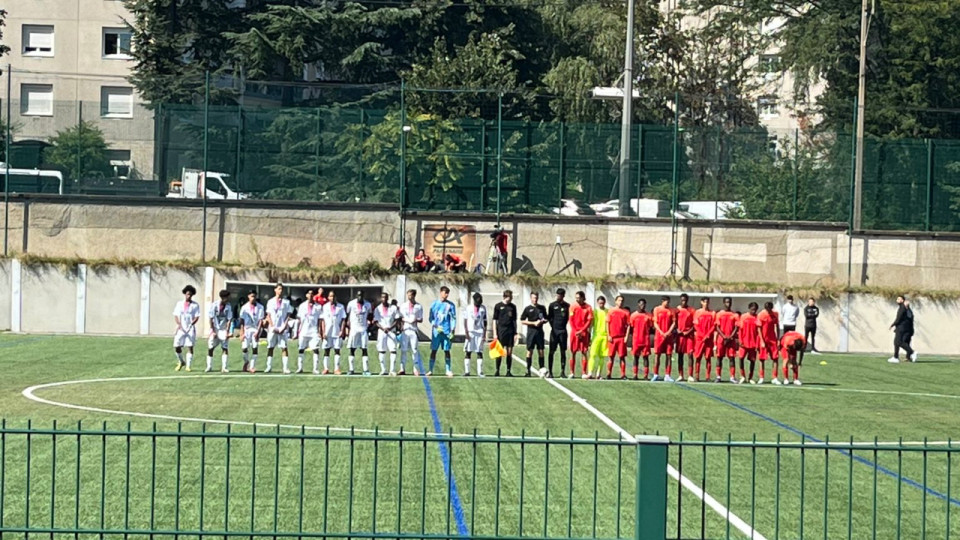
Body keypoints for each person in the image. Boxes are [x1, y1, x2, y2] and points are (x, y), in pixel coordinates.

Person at [428, 286, 457, 377]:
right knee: (434, 350)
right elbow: (431, 318)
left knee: (447, 350)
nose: (446, 295)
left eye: (448, 293)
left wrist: (452, 330)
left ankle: (448, 370)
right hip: (436, 332)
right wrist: (435, 325)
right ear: (441, 292)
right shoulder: (434, 304)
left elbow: (453, 318)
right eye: (445, 292)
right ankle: (430, 370)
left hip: (446, 331)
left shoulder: (451, 305)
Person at [265, 283, 293, 374]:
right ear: (275, 290)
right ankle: (268, 367)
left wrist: (284, 327)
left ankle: (285, 368)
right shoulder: (270, 301)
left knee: (284, 347)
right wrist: (272, 326)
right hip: (273, 328)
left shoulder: (286, 302)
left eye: (281, 289)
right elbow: (268, 315)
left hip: (282, 328)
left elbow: (288, 315)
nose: (280, 291)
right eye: (279, 289)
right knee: (270, 347)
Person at [173, 285, 201, 371]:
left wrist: (192, 324)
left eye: (190, 295)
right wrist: (179, 324)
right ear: (185, 294)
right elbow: (176, 315)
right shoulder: (179, 304)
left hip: (190, 328)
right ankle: (181, 361)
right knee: (177, 345)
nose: (189, 296)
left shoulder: (195, 305)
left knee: (190, 346)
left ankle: (188, 365)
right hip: (181, 328)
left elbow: (197, 316)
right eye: (188, 294)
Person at [205, 289, 233, 373]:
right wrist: (212, 330)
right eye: (226, 297)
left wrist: (227, 331)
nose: (227, 299)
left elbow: (229, 320)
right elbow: (210, 318)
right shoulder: (214, 305)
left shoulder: (228, 306)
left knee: (225, 348)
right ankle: (209, 366)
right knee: (210, 347)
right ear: (222, 297)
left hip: (223, 329)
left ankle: (224, 367)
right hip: (215, 328)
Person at [520, 292, 548, 377]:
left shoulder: (542, 308)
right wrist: (533, 323)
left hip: (539, 332)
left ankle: (542, 370)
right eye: (533, 298)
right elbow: (522, 320)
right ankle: (528, 371)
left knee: (541, 351)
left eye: (536, 298)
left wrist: (542, 321)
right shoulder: (528, 309)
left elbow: (546, 318)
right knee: (529, 351)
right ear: (531, 298)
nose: (535, 299)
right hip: (531, 332)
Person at [345, 291, 373, 376]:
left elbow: (370, 315)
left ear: (363, 296)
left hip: (363, 329)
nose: (360, 297)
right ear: (356, 296)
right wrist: (347, 327)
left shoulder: (367, 304)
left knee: (364, 349)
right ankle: (351, 369)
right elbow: (347, 315)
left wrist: (369, 323)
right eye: (358, 295)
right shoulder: (351, 303)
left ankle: (366, 370)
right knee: (352, 349)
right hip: (354, 329)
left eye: (361, 295)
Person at [320, 290, 347, 374]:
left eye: (333, 296)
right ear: (328, 297)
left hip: (336, 331)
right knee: (326, 350)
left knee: (337, 350)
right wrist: (323, 332)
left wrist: (342, 331)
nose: (332, 298)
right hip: (328, 332)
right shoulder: (325, 307)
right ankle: (326, 368)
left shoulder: (341, 307)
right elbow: (323, 320)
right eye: (330, 296)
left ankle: (336, 368)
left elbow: (343, 320)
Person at [296, 290, 323, 375]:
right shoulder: (302, 306)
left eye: (312, 294)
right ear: (306, 295)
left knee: (315, 349)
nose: (310, 295)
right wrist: (297, 331)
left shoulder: (318, 306)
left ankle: (315, 369)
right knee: (301, 349)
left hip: (313, 331)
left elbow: (320, 320)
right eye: (309, 294)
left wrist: (319, 331)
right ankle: (300, 368)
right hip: (304, 330)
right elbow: (299, 320)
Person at [492, 290, 518, 376]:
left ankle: (508, 371)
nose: (510, 300)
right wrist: (495, 333)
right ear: (505, 297)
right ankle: (497, 370)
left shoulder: (513, 307)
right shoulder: (498, 306)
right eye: (509, 298)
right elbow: (495, 320)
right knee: (499, 352)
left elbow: (514, 320)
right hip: (501, 331)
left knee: (509, 352)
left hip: (510, 331)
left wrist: (515, 333)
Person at [372, 292, 399, 375]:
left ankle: (392, 370)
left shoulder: (393, 308)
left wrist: (390, 328)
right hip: (382, 331)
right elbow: (376, 321)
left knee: (393, 350)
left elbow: (397, 319)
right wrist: (383, 328)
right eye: (383, 297)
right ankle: (383, 369)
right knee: (382, 350)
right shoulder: (377, 309)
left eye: (386, 297)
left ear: (388, 298)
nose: (384, 299)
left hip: (391, 331)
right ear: (381, 298)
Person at [714, 297, 740, 383]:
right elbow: (717, 327)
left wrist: (730, 336)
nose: (728, 304)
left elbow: (736, 327)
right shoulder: (719, 314)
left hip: (731, 339)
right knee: (719, 357)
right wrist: (724, 336)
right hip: (721, 339)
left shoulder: (735, 315)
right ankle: (718, 376)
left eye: (729, 302)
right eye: (727, 302)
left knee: (731, 358)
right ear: (724, 303)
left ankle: (732, 377)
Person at [399, 289, 424, 375]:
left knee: (414, 350)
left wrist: (415, 319)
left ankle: (415, 369)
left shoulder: (419, 306)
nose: (409, 297)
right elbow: (400, 317)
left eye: (410, 295)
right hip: (405, 330)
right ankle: (402, 368)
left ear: (414, 295)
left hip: (413, 330)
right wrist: (404, 323)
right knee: (404, 349)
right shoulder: (403, 305)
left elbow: (421, 319)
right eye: (408, 295)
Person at [546, 289, 570, 379]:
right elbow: (550, 317)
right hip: (554, 332)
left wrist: (562, 327)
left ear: (563, 296)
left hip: (563, 332)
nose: (558, 297)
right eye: (557, 295)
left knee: (563, 352)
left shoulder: (567, 306)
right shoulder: (552, 305)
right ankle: (550, 371)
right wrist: (553, 327)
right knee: (551, 351)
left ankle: (562, 371)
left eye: (560, 295)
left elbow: (567, 318)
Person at [568, 291, 593, 379]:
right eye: (576, 298)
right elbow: (571, 320)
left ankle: (583, 372)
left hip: (584, 333)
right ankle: (572, 372)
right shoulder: (573, 306)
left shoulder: (588, 307)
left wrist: (582, 330)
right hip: (574, 333)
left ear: (583, 298)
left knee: (584, 352)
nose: (577, 299)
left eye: (579, 298)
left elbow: (589, 321)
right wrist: (575, 331)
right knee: (573, 352)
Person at [239, 290, 265, 373]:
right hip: (247, 329)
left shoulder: (260, 307)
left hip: (255, 329)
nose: (253, 298)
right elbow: (242, 321)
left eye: (254, 296)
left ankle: (252, 366)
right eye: (251, 296)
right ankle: (246, 361)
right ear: (248, 297)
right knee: (244, 348)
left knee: (254, 347)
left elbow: (261, 320)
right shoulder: (244, 307)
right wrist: (242, 332)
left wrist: (258, 332)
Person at [652, 296, 676, 382]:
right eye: (666, 301)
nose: (667, 303)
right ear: (662, 301)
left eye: (668, 302)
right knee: (657, 355)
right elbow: (655, 323)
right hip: (659, 336)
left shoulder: (672, 310)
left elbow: (673, 322)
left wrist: (669, 331)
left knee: (669, 355)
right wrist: (661, 332)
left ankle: (667, 375)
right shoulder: (657, 309)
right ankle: (655, 374)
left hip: (669, 336)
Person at [736, 302, 762, 384]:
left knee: (752, 360)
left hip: (753, 343)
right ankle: (742, 376)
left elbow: (758, 331)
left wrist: (758, 343)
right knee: (741, 358)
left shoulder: (757, 318)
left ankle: (750, 377)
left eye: (755, 310)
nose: (753, 311)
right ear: (749, 308)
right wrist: (740, 340)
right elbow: (740, 330)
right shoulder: (744, 317)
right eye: (752, 309)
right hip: (744, 342)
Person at [605, 295, 630, 379]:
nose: (621, 302)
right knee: (611, 357)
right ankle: (609, 374)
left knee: (622, 357)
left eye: (622, 300)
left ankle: (623, 374)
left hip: (621, 337)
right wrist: (608, 335)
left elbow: (628, 325)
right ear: (615, 301)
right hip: (613, 337)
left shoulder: (626, 312)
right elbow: (607, 323)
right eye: (619, 300)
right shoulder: (611, 311)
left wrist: (626, 336)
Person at [463, 292, 487, 377]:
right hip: (471, 331)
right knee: (468, 351)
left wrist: (484, 334)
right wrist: (466, 332)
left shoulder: (483, 309)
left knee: (479, 352)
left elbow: (485, 321)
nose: (478, 303)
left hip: (479, 332)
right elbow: (465, 320)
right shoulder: (468, 308)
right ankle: (467, 371)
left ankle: (480, 372)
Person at [692, 297, 715, 382]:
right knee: (698, 357)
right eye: (705, 302)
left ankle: (707, 376)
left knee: (708, 358)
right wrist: (702, 335)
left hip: (708, 339)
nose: (706, 303)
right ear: (701, 302)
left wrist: (708, 334)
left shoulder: (712, 313)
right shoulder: (697, 312)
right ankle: (696, 375)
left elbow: (713, 325)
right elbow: (695, 325)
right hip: (700, 339)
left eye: (708, 302)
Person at [756, 302, 780, 384]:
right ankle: (761, 377)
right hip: (764, 339)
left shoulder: (775, 314)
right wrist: (762, 341)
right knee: (762, 359)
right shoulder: (761, 315)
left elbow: (777, 326)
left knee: (775, 358)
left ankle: (775, 377)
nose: (768, 310)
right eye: (767, 309)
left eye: (769, 309)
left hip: (772, 339)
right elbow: (759, 329)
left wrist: (778, 338)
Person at [628, 299, 653, 380]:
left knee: (646, 357)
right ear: (638, 304)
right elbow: (631, 328)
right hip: (636, 340)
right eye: (641, 304)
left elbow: (651, 328)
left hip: (645, 340)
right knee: (636, 357)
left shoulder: (648, 315)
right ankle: (635, 375)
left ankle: (646, 375)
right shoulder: (633, 315)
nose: (642, 306)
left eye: (644, 304)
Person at [888, 296, 917, 364]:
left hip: (902, 328)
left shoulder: (902, 308)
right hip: (904, 328)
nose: (897, 300)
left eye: (899, 299)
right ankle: (896, 357)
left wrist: (893, 324)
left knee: (898, 342)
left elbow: (899, 318)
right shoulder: (905, 309)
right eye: (897, 299)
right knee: (897, 342)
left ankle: (912, 352)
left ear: (903, 300)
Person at [586, 296, 608, 379]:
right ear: (597, 303)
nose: (601, 304)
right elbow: (591, 324)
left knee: (602, 356)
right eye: (600, 303)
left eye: (602, 303)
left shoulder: (608, 312)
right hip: (596, 335)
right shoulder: (594, 311)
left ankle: (599, 374)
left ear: (604, 303)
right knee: (592, 354)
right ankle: (590, 372)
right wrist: (589, 335)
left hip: (605, 336)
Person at [675, 294, 696, 382]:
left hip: (689, 335)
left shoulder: (692, 310)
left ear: (687, 300)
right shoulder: (677, 310)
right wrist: (677, 330)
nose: (684, 302)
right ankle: (680, 375)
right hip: (680, 336)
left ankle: (690, 375)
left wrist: (688, 331)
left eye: (685, 300)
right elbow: (673, 322)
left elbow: (695, 324)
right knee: (680, 355)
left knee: (690, 355)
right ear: (680, 300)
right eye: (682, 300)